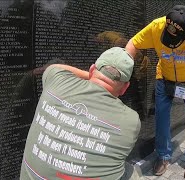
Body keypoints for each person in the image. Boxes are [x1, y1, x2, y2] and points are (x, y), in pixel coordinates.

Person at [125, 5, 185, 179]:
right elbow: (133, 43)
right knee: (161, 118)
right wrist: (123, 69)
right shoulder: (157, 25)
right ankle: (163, 156)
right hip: (164, 79)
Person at [20, 47, 141, 179]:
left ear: (91, 69)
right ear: (125, 88)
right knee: (131, 173)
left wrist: (92, 76)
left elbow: (54, 67)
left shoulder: (56, 81)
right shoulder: (130, 121)